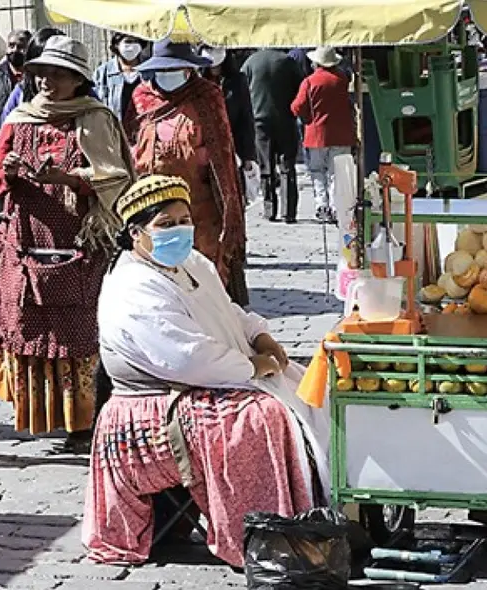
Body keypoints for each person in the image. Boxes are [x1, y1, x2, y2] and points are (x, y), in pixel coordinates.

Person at [83, 175, 329, 567]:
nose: (179, 230)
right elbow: (185, 357)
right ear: (135, 234)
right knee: (261, 418)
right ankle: (263, 536)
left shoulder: (192, 263)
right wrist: (250, 367)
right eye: (165, 224)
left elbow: (227, 311)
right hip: (157, 401)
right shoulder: (131, 286)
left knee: (305, 383)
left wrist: (260, 336)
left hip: (206, 381)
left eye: (184, 220)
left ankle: (318, 517)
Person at [0, 37, 136, 453]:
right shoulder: (18, 120)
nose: (48, 81)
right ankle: (45, 416)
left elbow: (116, 176)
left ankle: (84, 424)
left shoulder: (95, 119)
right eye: (42, 74)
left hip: (81, 240)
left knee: (82, 331)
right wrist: (12, 174)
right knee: (29, 325)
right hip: (26, 240)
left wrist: (70, 180)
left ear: (78, 79)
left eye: (59, 74)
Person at [129, 40, 249, 306]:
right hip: (154, 205)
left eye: (176, 68)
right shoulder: (141, 97)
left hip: (200, 206)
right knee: (161, 273)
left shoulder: (207, 96)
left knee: (203, 276)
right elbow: (131, 140)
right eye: (164, 68)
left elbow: (223, 151)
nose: (169, 74)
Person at [291, 46, 355, 224]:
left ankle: (322, 206)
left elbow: (296, 107)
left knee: (317, 171)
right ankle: (336, 207)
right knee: (337, 173)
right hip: (342, 134)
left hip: (317, 135)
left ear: (316, 63)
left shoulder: (309, 82)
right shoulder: (342, 79)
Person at [242, 48, 304, 223]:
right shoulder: (288, 62)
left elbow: (242, 89)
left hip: (259, 121)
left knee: (266, 167)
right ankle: (289, 211)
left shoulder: (251, 62)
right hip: (286, 119)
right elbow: (302, 88)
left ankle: (270, 210)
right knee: (287, 166)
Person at [199, 46, 257, 188]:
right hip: (205, 150)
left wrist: (248, 156)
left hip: (233, 147)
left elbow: (246, 118)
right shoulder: (198, 82)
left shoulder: (237, 80)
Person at [0, 27, 65, 126]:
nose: (46, 80)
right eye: (40, 70)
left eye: (56, 72)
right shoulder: (21, 92)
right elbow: (4, 128)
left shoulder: (90, 110)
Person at [0, 29, 31, 159]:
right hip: (0, 142)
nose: (15, 50)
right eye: (11, 45)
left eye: (21, 47)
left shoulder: (35, 77)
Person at [93, 33, 149, 126]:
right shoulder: (102, 73)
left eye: (136, 42)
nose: (132, 46)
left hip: (144, 128)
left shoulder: (150, 69)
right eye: (128, 41)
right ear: (116, 45)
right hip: (114, 131)